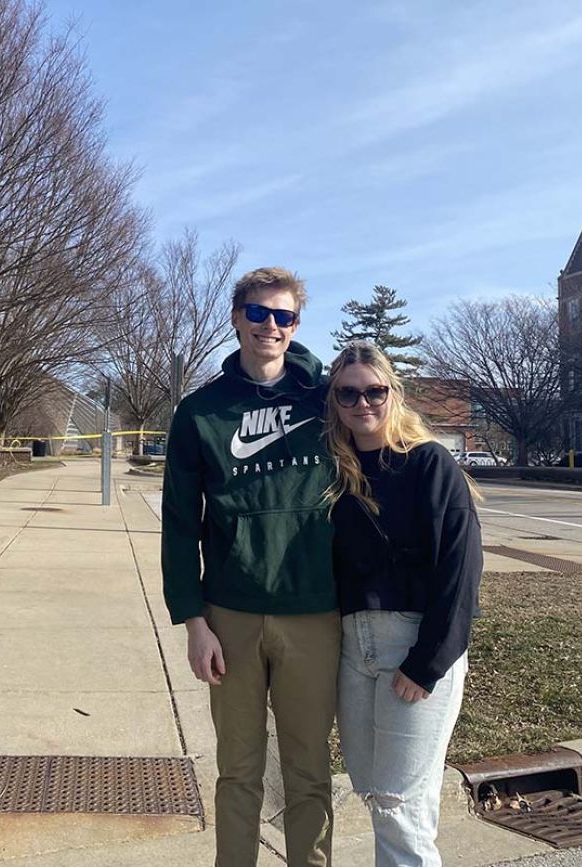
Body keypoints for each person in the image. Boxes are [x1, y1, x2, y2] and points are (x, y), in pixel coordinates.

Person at [162, 267, 341, 867]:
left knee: (309, 769)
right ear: (237, 318)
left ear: (296, 325)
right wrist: (193, 621)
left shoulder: (326, 400)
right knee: (237, 770)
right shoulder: (200, 413)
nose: (271, 325)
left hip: (314, 612)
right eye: (259, 313)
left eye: (284, 316)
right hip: (230, 615)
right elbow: (181, 524)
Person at [324, 340, 483, 867]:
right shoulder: (336, 473)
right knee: (380, 795)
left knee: (399, 806)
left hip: (412, 648)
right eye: (348, 394)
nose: (362, 403)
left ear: (394, 393)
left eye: (374, 390)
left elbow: (459, 571)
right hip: (353, 652)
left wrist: (427, 662)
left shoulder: (428, 463)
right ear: (334, 401)